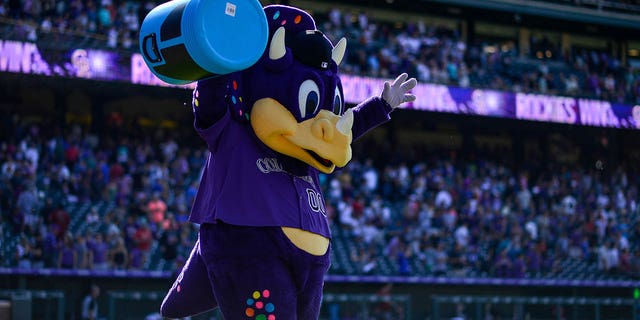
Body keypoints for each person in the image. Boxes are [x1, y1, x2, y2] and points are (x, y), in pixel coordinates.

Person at [159, 4, 417, 320]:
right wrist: (221, 56)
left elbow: (340, 132)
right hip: (249, 246)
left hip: (309, 255)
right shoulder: (234, 132)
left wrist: (381, 106)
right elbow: (210, 103)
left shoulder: (304, 153)